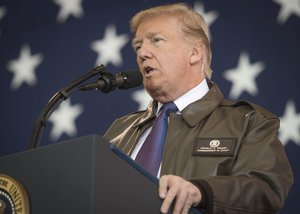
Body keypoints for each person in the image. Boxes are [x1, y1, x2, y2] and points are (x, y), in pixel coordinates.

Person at [104, 3, 293, 214]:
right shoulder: (120, 130)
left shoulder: (249, 122)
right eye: (138, 46)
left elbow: (266, 189)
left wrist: (202, 192)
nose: (142, 53)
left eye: (156, 40)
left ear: (195, 53)